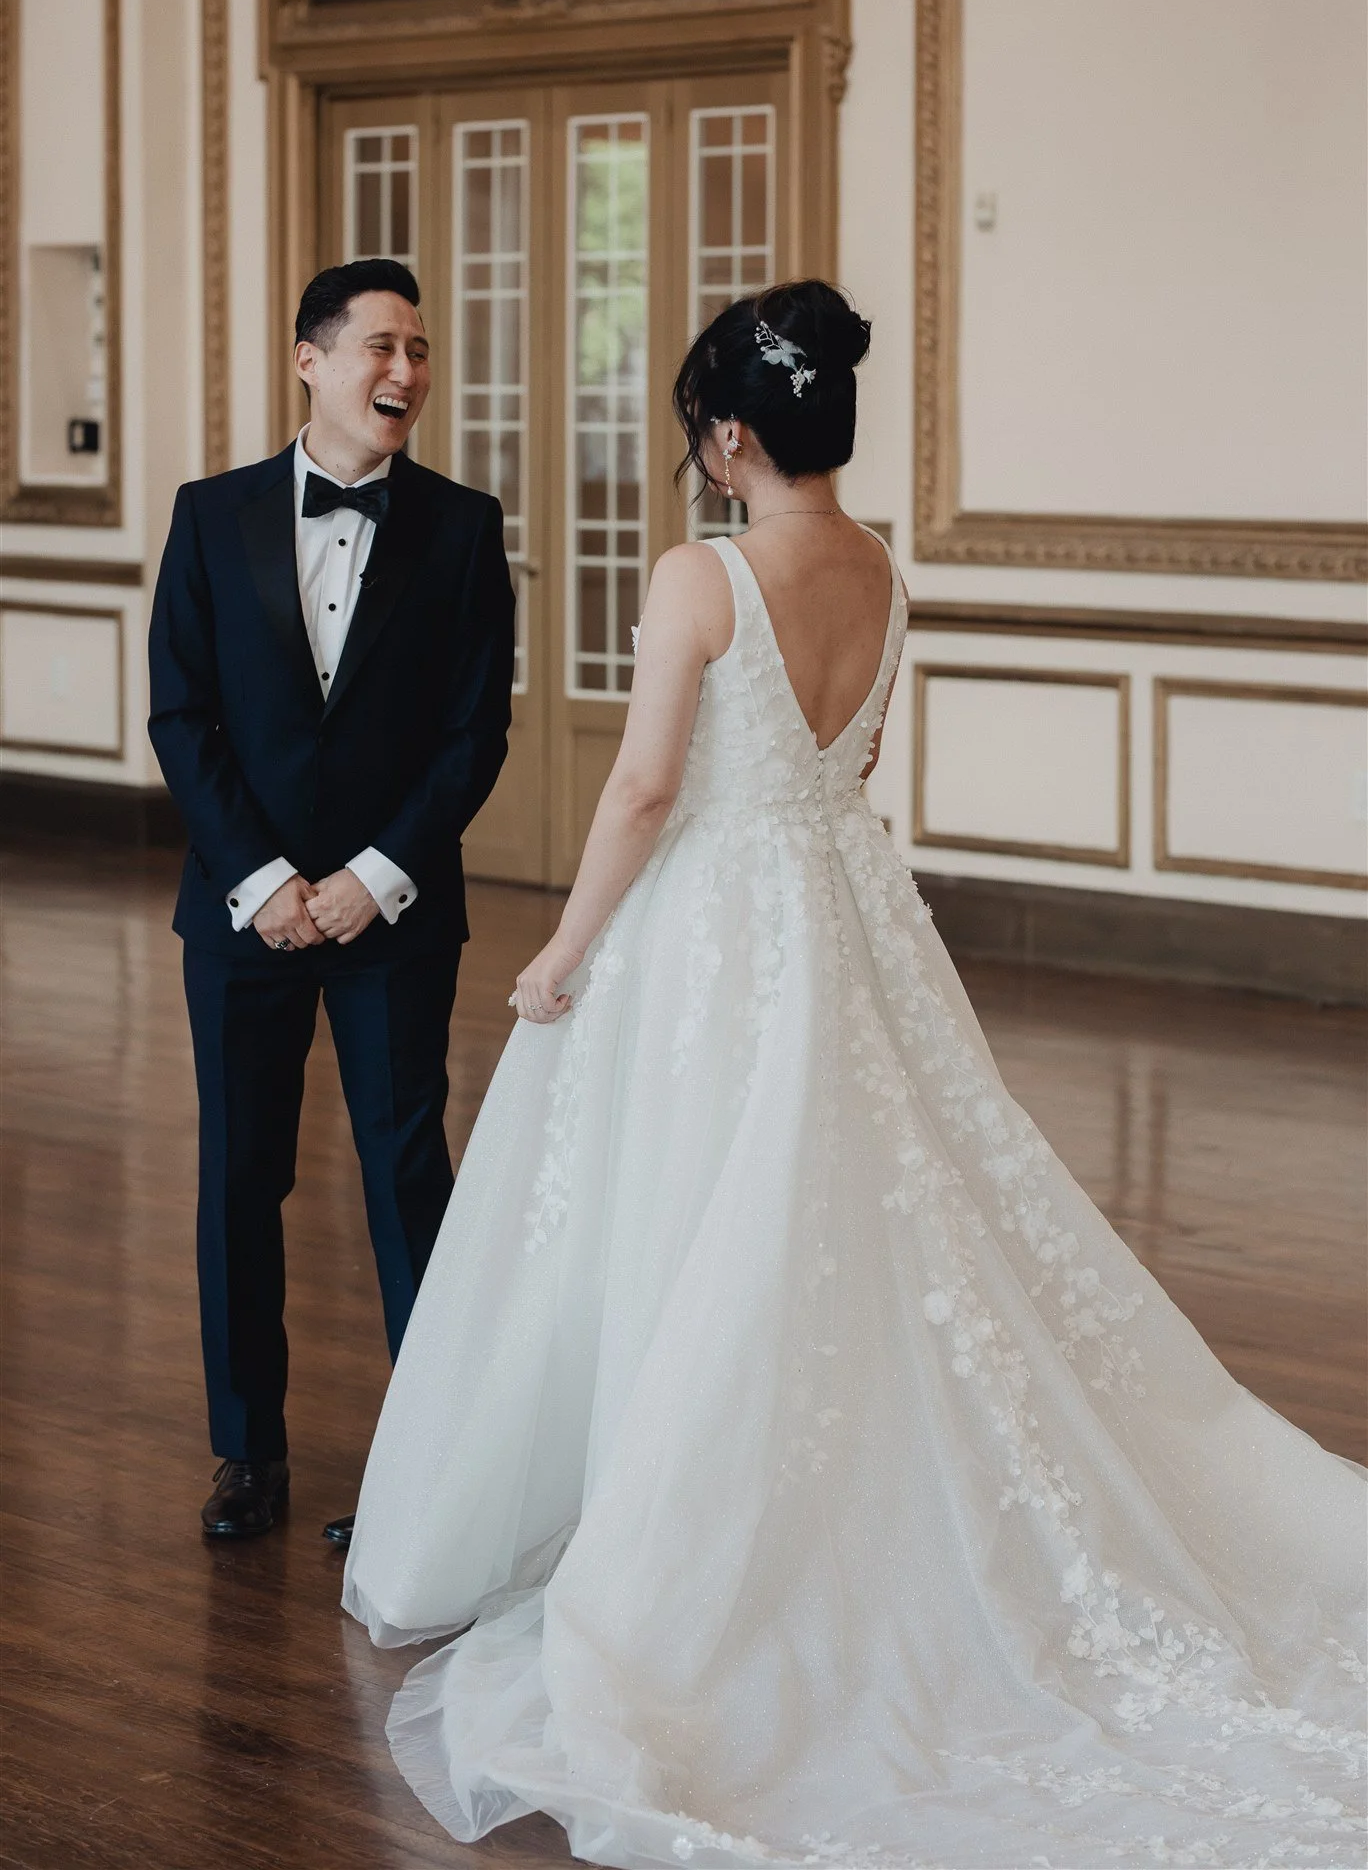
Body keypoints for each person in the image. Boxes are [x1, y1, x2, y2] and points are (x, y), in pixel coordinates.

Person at [341, 281, 1366, 1867]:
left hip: (715, 926)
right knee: (873, 1215)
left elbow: (644, 789)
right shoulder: (886, 568)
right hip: (844, 913)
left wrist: (563, 951)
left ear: (729, 437)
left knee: (695, 1215)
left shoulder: (701, 575)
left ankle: (696, 1539)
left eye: (701, 429)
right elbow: (859, 757)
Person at [148, 258, 514, 1544]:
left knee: (407, 1173)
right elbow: (182, 715)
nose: (406, 370)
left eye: (420, 348)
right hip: (241, 913)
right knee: (238, 1177)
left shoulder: (464, 527)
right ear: (310, 359)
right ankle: (247, 1451)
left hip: (392, 917)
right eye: (380, 346)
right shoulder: (210, 515)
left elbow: (475, 734)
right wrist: (262, 881)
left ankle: (430, 1465)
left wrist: (372, 877)